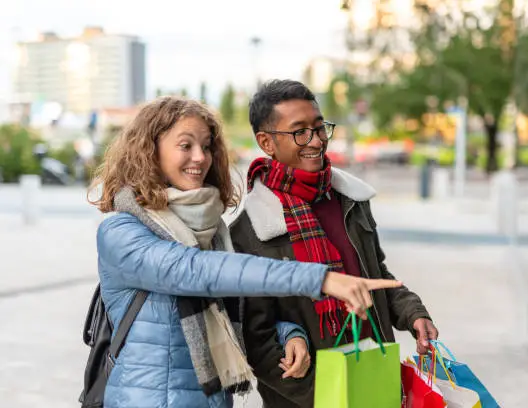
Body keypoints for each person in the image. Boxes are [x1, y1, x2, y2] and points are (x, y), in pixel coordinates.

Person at [88, 96, 401, 408]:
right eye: (186, 146)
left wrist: (290, 334)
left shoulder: (209, 229)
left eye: (207, 146)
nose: (200, 157)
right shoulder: (121, 231)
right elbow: (198, 271)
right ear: (150, 151)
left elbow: (232, 310)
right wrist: (321, 279)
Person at [229, 80, 439, 407]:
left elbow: (374, 274)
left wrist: (412, 313)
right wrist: (328, 398)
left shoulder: (349, 200)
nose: (316, 140)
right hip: (309, 398)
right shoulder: (250, 229)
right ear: (266, 142)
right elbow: (257, 341)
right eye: (299, 132)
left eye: (319, 127)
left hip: (373, 380)